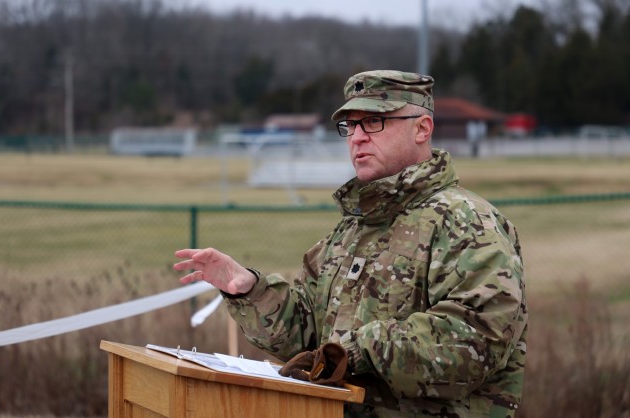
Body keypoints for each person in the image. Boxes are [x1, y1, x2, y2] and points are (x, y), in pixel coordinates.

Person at [174, 70, 528, 418]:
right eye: (350, 126)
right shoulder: (352, 229)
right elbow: (309, 337)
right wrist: (249, 290)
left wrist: (356, 351)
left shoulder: (466, 222)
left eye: (374, 121)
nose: (357, 137)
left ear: (422, 129)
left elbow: (475, 341)